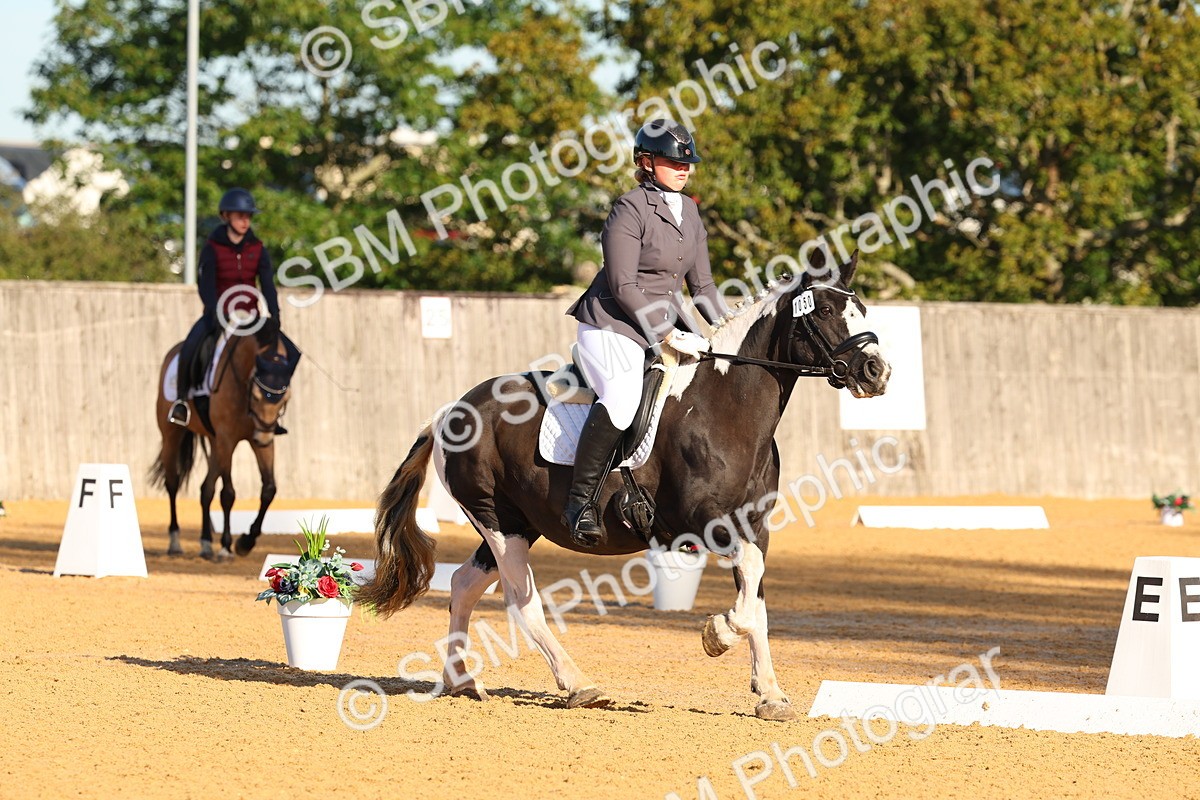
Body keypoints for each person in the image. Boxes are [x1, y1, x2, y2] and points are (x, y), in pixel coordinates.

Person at [562, 119, 727, 547]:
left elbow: (703, 287)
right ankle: (579, 503)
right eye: (674, 161)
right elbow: (623, 284)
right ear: (646, 162)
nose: (684, 167)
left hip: (664, 325)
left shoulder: (689, 210)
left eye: (687, 161)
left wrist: (729, 333)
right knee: (621, 395)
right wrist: (666, 334)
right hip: (611, 323)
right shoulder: (630, 208)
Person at [168, 188, 281, 427]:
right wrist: (215, 311)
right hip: (218, 315)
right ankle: (180, 402)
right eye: (240, 215)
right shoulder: (212, 247)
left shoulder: (258, 249)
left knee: (281, 353)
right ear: (226, 216)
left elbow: (268, 285)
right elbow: (205, 285)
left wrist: (275, 316)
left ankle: (272, 409)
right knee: (191, 345)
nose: (245, 221)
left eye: (248, 216)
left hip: (251, 317)